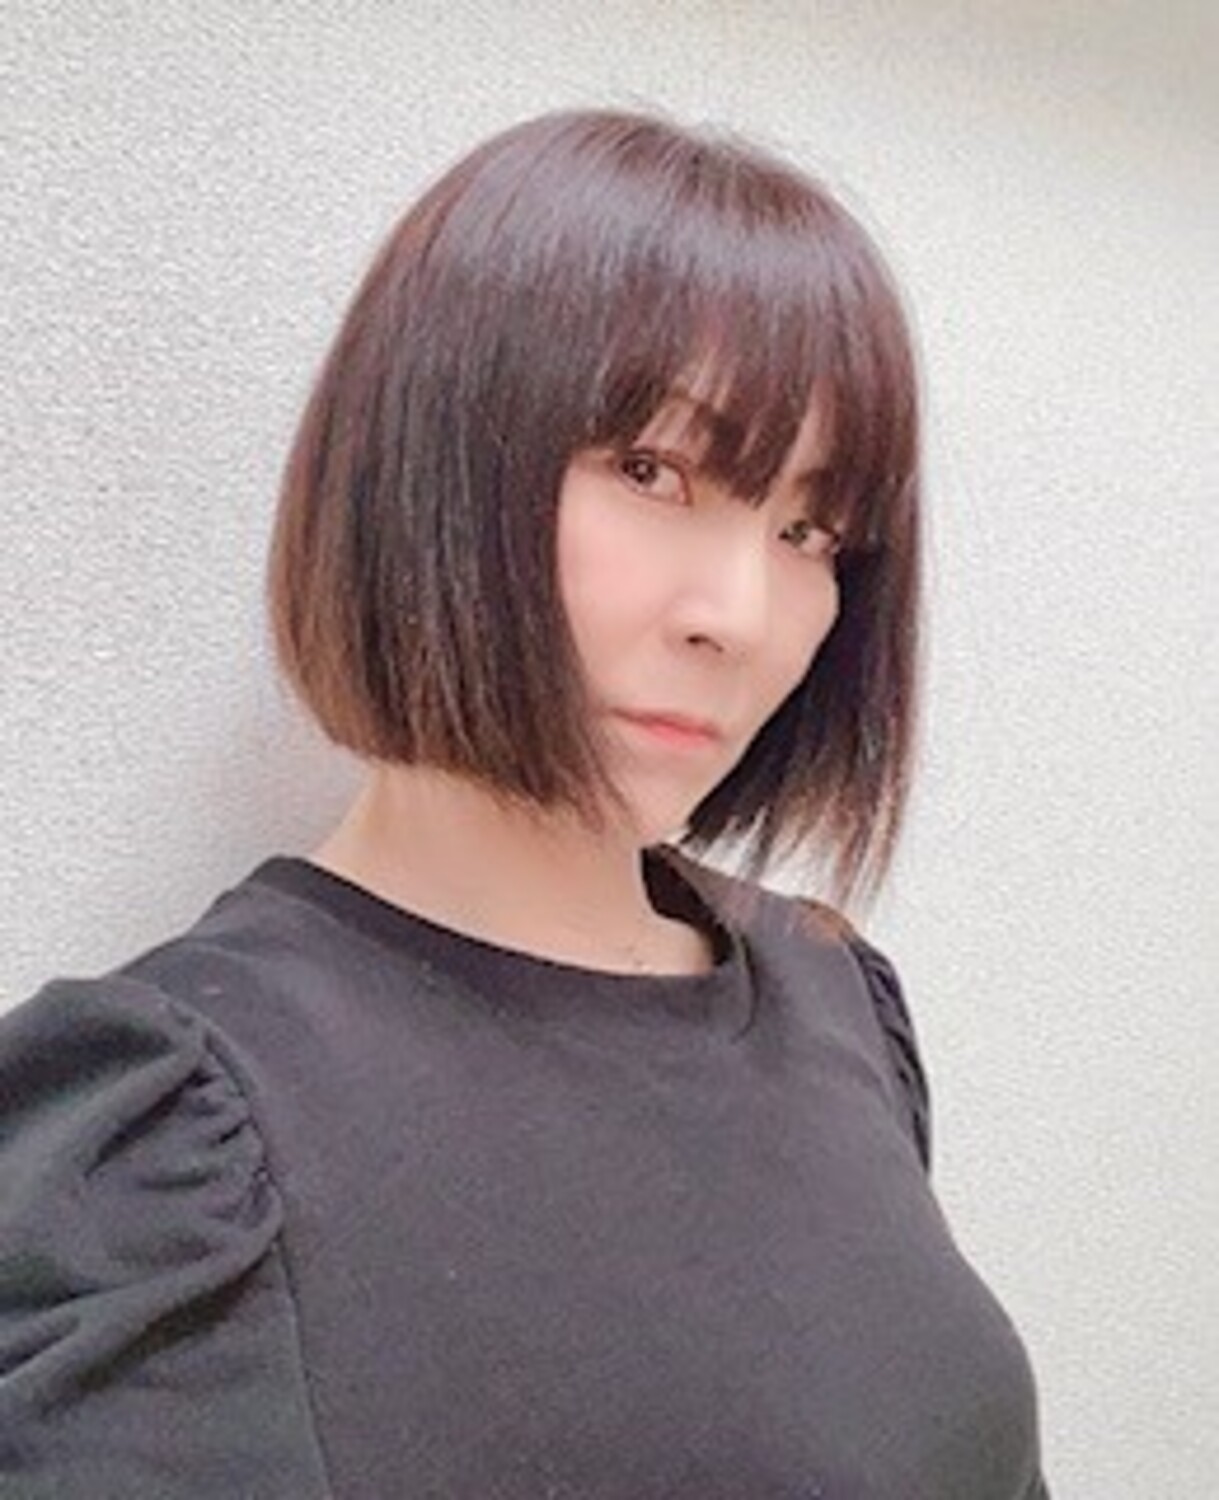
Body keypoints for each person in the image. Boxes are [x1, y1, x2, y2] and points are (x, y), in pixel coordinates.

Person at [0, 109, 1050, 1498]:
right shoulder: (176, 1135)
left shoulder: (835, 995)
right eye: (653, 470)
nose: (741, 616)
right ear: (432, 460)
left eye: (810, 530)